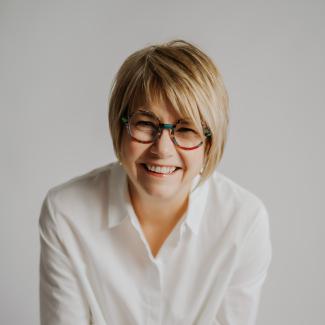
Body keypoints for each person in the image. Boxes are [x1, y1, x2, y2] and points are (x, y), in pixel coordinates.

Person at [38, 40, 272, 325]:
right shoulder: (66, 212)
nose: (163, 149)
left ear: (210, 143)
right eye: (146, 123)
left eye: (186, 129)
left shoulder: (243, 221)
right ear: (119, 127)